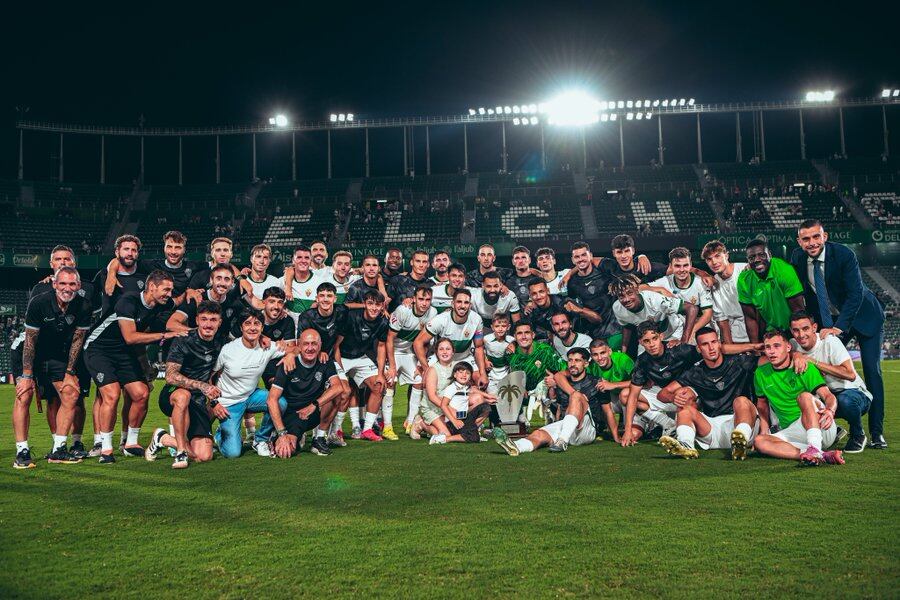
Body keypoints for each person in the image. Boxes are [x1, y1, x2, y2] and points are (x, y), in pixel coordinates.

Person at [790, 219, 886, 449]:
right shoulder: (797, 258)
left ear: (825, 236)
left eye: (816, 237)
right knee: (822, 368)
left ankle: (876, 433)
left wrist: (838, 328)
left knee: (872, 371)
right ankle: (839, 423)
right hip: (829, 321)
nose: (811, 243)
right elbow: (809, 297)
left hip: (865, 317)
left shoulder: (843, 254)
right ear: (799, 241)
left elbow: (855, 295)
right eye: (806, 239)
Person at [83, 270, 184, 463]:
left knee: (141, 393)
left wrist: (191, 294)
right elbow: (130, 337)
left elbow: (178, 302)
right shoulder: (128, 301)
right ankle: (106, 449)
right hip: (98, 349)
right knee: (112, 394)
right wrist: (164, 335)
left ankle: (130, 444)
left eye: (171, 290)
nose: (169, 294)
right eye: (166, 289)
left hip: (123, 354)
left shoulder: (160, 303)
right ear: (151, 287)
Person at [13, 267, 92, 468]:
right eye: (63, 283)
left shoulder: (83, 305)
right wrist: (27, 375)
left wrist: (69, 373)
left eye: (72, 284)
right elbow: (30, 342)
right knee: (24, 394)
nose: (67, 288)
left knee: (72, 394)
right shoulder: (39, 303)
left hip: (57, 355)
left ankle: (58, 449)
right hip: (28, 352)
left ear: (78, 286)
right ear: (55, 284)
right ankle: (22, 451)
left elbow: (77, 341)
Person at [657, 327, 759, 460]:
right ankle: (686, 446)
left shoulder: (739, 362)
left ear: (719, 343)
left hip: (740, 422)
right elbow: (662, 394)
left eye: (714, 342)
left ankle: (741, 442)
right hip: (711, 428)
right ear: (699, 349)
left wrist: (795, 354)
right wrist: (673, 397)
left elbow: (772, 360)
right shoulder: (695, 371)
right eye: (705, 344)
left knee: (741, 400)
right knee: (685, 409)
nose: (711, 347)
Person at [145, 301, 225, 468]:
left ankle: (163, 438)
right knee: (184, 395)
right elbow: (171, 376)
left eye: (213, 319)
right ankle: (181, 451)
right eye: (204, 319)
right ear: (196, 320)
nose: (208, 324)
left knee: (203, 456)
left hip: (198, 401)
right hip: (174, 394)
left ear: (219, 322)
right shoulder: (184, 340)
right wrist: (201, 386)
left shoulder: (221, 342)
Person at [753, 329, 844, 466]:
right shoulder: (761, 374)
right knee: (760, 441)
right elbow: (761, 404)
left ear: (788, 347)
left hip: (820, 426)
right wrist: (764, 429)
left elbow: (828, 396)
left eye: (777, 346)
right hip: (792, 431)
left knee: (804, 396)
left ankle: (814, 447)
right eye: (768, 347)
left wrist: (830, 411)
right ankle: (820, 455)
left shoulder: (805, 367)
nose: (772, 351)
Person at [788, 312, 872, 453]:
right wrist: (796, 354)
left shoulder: (829, 341)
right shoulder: (793, 345)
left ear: (814, 327)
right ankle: (834, 431)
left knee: (844, 401)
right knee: (798, 399)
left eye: (805, 328)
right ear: (791, 331)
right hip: (823, 395)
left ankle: (858, 434)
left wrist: (814, 362)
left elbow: (850, 374)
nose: (801, 335)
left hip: (852, 393)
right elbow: (782, 352)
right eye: (796, 330)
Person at [495, 347, 598, 455]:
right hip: (567, 429)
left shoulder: (594, 381)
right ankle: (516, 447)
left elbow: (607, 408)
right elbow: (558, 403)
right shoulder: (562, 382)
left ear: (586, 364)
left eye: (577, 360)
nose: (572, 364)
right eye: (570, 360)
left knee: (576, 396)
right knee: (539, 433)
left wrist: (615, 435)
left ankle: (562, 440)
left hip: (586, 430)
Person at [266, 329, 344, 458]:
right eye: (306, 344)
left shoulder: (326, 361)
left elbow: (338, 387)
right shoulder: (288, 363)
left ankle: (319, 438)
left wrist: (314, 405)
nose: (310, 348)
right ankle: (277, 435)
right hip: (291, 414)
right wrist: (282, 434)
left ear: (320, 345)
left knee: (335, 395)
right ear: (299, 346)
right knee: (287, 451)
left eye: (314, 344)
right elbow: (271, 400)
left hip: (311, 412)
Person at [335, 291, 389, 441]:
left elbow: (381, 347)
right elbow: (336, 345)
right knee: (343, 391)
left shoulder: (383, 322)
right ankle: (336, 429)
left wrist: (380, 373)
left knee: (379, 386)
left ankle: (367, 429)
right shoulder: (351, 317)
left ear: (382, 306)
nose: (373, 308)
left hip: (361, 357)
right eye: (370, 304)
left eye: (377, 305)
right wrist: (340, 370)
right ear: (364, 304)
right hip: (342, 356)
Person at [385, 286, 436, 436]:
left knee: (419, 380)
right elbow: (389, 339)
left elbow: (425, 342)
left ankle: (410, 421)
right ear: (413, 299)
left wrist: (421, 363)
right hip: (393, 351)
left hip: (409, 353)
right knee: (389, 381)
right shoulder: (403, 310)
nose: (424, 303)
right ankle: (387, 426)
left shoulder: (432, 313)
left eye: (428, 300)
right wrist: (392, 366)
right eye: (421, 299)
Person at [610, 274, 699, 356]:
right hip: (649, 339)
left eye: (630, 293)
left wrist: (683, 341)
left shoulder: (654, 299)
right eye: (621, 296)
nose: (627, 299)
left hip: (673, 333)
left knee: (682, 356)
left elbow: (692, 308)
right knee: (643, 364)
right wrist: (624, 351)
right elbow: (627, 326)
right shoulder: (617, 308)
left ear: (637, 290)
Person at [414, 289, 487, 386]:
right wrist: (426, 369)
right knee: (419, 381)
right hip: (441, 358)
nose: (462, 306)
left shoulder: (476, 319)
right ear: (453, 304)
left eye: (466, 303)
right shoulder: (440, 320)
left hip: (464, 357)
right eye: (459, 302)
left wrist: (483, 373)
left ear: (470, 305)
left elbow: (478, 347)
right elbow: (418, 342)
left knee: (481, 382)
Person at [738, 239, 805, 342]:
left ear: (769, 254)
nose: (757, 260)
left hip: (792, 328)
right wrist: (755, 348)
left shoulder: (784, 270)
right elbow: (750, 318)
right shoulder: (744, 280)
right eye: (752, 257)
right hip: (769, 331)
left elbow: (798, 311)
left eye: (761, 255)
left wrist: (797, 338)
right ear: (747, 260)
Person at [507, 321, 568, 423]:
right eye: (519, 333)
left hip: (545, 393)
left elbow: (565, 370)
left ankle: (556, 417)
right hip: (524, 394)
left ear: (533, 335)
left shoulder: (545, 351)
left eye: (527, 333)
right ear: (515, 337)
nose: (523, 337)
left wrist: (555, 379)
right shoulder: (511, 354)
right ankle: (518, 420)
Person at [650, 247, 713, 340]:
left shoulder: (701, 283)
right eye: (677, 266)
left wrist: (689, 332)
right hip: (676, 331)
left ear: (691, 265)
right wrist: (661, 290)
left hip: (699, 329)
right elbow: (639, 288)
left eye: (685, 265)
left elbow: (707, 315)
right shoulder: (665, 282)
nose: (682, 270)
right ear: (671, 266)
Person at [429, 362, 497, 444]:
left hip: (464, 417)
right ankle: (446, 439)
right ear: (454, 375)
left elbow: (472, 390)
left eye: (467, 373)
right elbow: (443, 405)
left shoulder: (465, 387)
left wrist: (489, 399)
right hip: (453, 422)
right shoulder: (451, 388)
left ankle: (472, 430)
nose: (464, 375)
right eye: (461, 372)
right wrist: (454, 421)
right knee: (474, 438)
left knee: (486, 407)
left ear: (470, 376)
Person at [701, 240, 749, 343]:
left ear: (726, 255)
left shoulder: (745, 271)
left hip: (757, 332)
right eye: (709, 259)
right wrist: (731, 348)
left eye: (717, 256)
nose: (714, 262)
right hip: (735, 338)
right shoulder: (712, 283)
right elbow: (723, 322)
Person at [282, 245, 322, 314]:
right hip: (289, 323)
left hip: (310, 323)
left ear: (311, 260)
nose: (303, 261)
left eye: (306, 258)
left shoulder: (320, 282)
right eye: (299, 257)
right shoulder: (282, 281)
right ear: (293, 261)